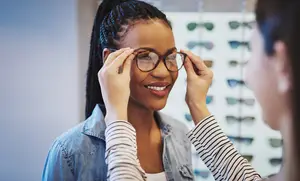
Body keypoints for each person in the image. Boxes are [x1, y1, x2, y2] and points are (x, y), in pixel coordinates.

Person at [101, 0, 300, 181]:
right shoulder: (74, 148)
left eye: (252, 51)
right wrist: (197, 105)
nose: (247, 75)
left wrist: (116, 119)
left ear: (281, 64)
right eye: (145, 56)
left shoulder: (178, 134)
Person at [42, 0, 196, 180]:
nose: (163, 72)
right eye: (145, 57)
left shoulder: (179, 133)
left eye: (170, 57)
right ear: (110, 60)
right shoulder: (70, 151)